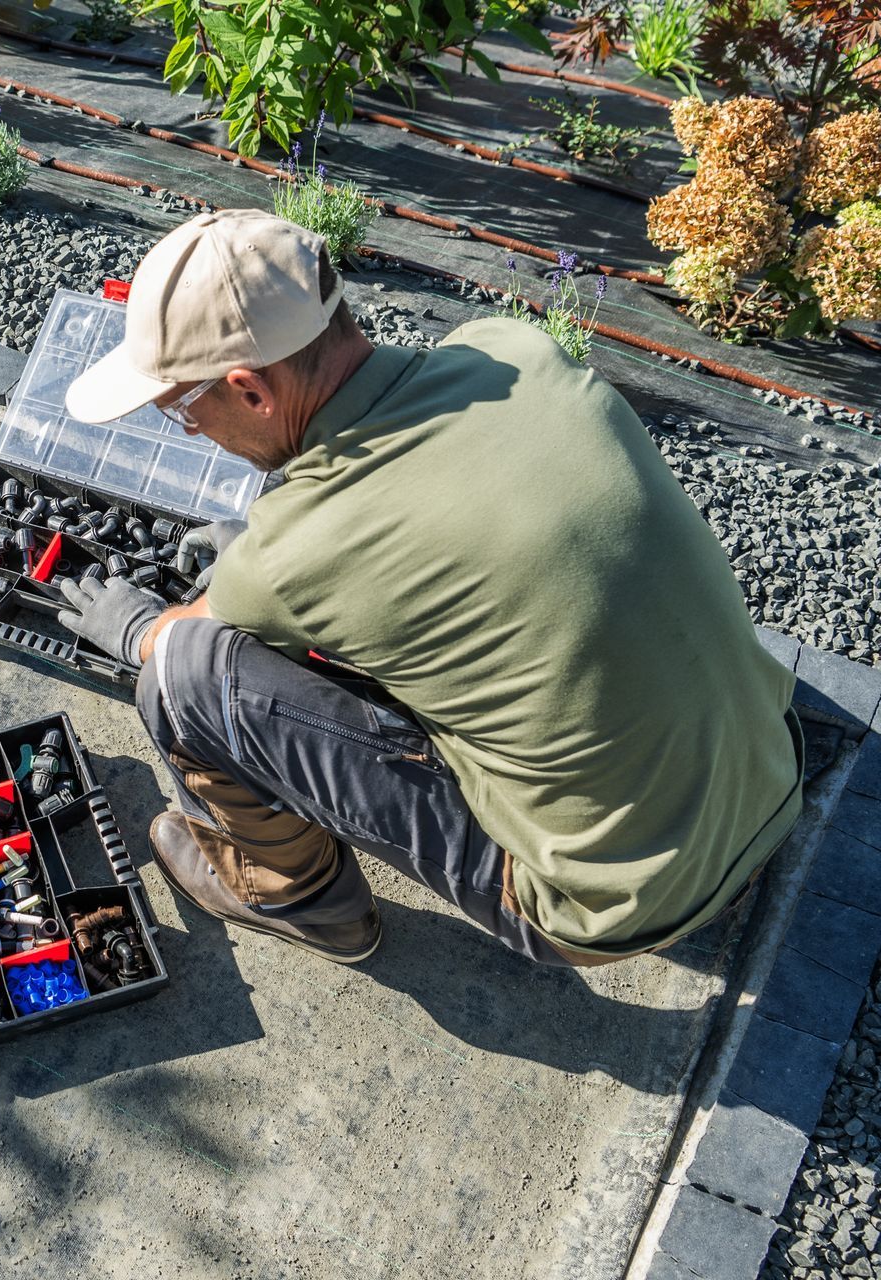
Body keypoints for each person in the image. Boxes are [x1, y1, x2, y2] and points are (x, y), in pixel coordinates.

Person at [55, 209, 803, 967]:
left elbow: (183, 630)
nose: (186, 432)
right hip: (769, 777)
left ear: (250, 391)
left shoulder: (296, 552)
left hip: (605, 904)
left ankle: (295, 897)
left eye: (181, 407)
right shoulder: (514, 350)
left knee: (182, 677)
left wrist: (134, 626)